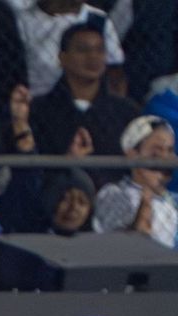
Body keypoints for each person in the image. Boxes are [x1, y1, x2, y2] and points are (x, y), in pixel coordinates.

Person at [28, 22, 138, 188]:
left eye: (99, 50)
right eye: (83, 50)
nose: (92, 57)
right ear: (62, 58)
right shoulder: (38, 110)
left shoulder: (127, 112)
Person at [93, 115, 178, 249]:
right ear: (133, 155)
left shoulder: (173, 203)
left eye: (170, 150)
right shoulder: (113, 193)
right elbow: (113, 244)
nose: (165, 159)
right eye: (156, 152)